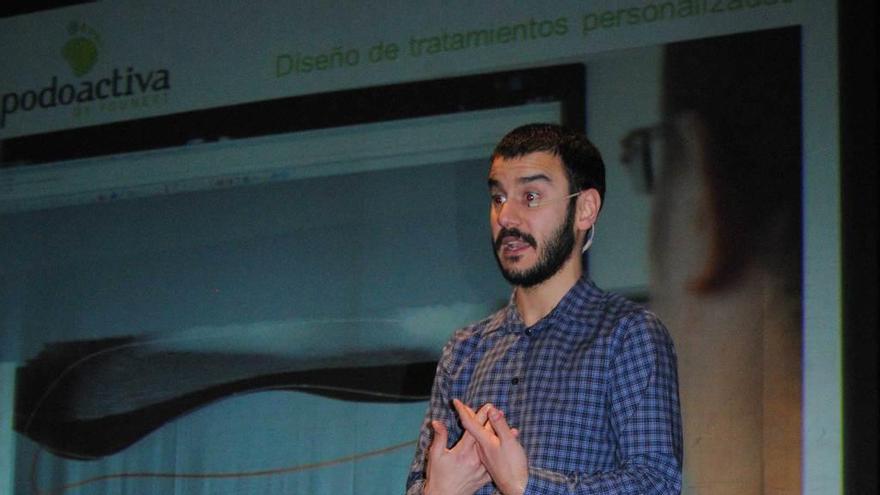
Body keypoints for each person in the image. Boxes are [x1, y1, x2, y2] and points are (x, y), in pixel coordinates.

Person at [406, 124, 682, 494]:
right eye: (498, 198)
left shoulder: (628, 335)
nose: (506, 217)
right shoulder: (466, 348)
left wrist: (525, 485)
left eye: (531, 196)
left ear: (585, 209)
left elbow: (657, 484)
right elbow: (419, 481)